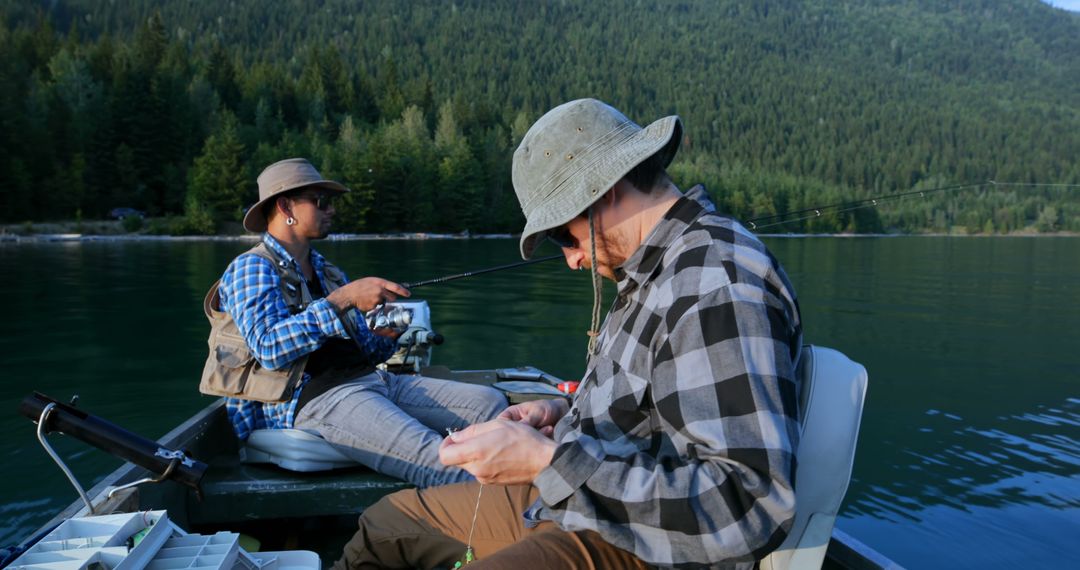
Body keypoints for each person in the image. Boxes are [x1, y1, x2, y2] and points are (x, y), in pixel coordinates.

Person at [332, 99, 804, 569]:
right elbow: (652, 408)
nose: (572, 259)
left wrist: (546, 462)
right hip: (582, 501)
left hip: (647, 547)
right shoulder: (649, 273)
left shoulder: (715, 283)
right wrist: (559, 414)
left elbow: (747, 507)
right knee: (384, 528)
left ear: (606, 191)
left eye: (564, 234)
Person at [199, 158, 507, 488]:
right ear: (286, 205)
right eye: (321, 202)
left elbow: (363, 351)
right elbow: (269, 348)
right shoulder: (251, 268)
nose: (332, 210)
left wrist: (386, 336)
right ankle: (508, 519)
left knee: (491, 406)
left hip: (373, 381)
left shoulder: (327, 272)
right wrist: (343, 299)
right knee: (439, 460)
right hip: (315, 399)